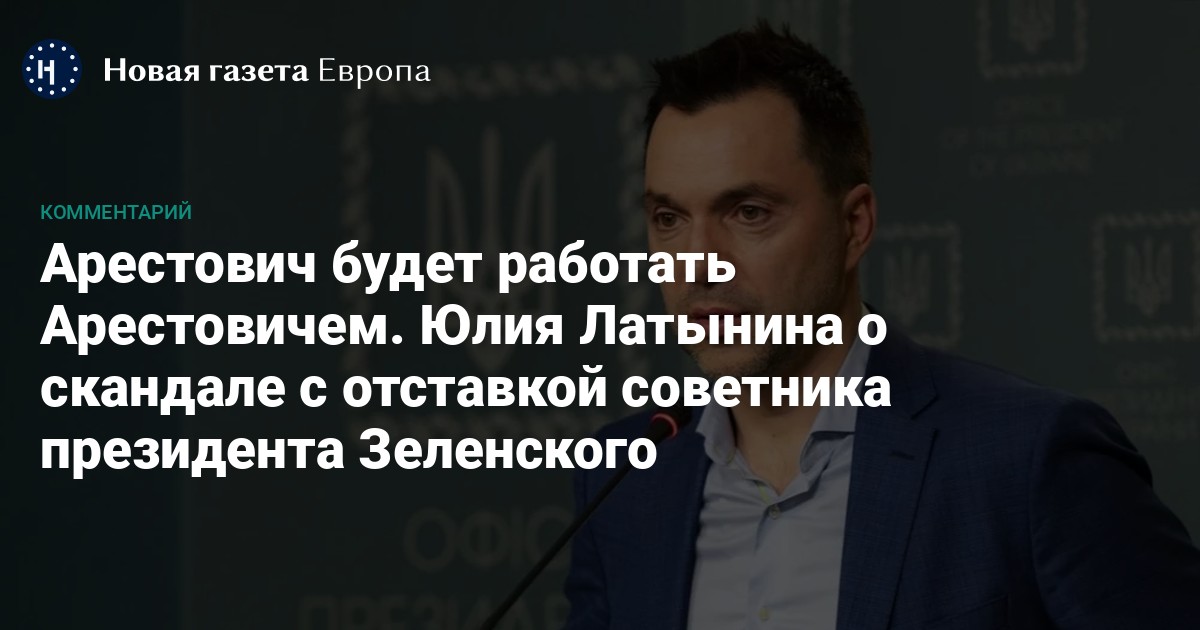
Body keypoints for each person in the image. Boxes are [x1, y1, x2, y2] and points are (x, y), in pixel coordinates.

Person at [562, 22, 1200, 629]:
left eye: (748, 212)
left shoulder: (1027, 459)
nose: (697, 263)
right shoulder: (624, 483)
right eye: (669, 219)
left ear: (855, 226)